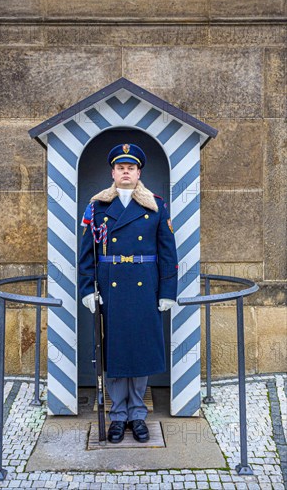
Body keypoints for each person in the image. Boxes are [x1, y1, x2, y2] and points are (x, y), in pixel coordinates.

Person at [78, 143, 178, 444]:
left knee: (142, 351)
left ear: (139, 173)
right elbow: (87, 254)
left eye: (131, 167)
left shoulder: (156, 206)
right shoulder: (97, 207)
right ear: (112, 172)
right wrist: (87, 288)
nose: (125, 171)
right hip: (111, 289)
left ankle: (138, 414)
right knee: (116, 353)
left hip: (145, 287)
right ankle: (118, 416)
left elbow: (167, 253)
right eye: (120, 167)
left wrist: (167, 292)